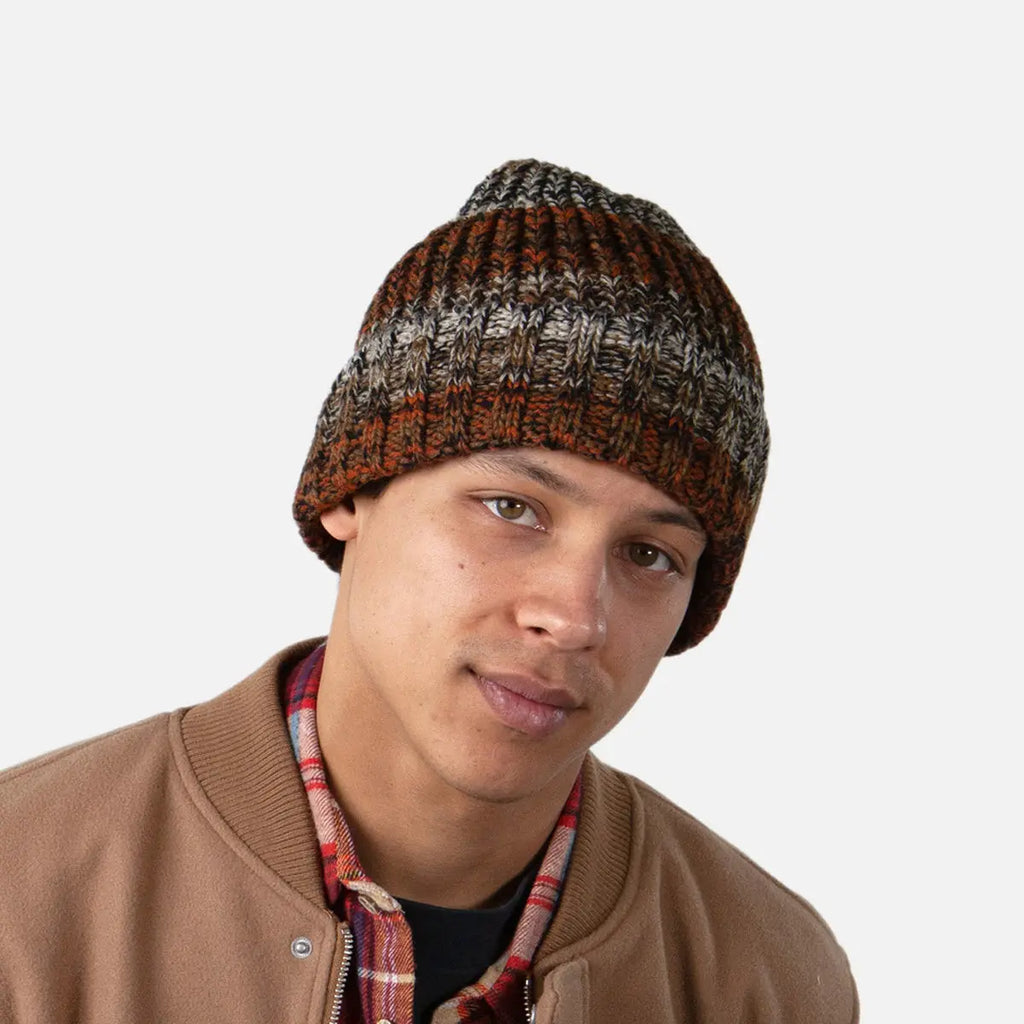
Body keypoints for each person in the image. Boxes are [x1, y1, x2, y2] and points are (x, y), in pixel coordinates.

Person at [0, 159, 857, 1023]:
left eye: (649, 554)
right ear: (349, 492)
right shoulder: (23, 896)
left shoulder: (768, 978)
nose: (572, 616)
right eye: (512, 507)